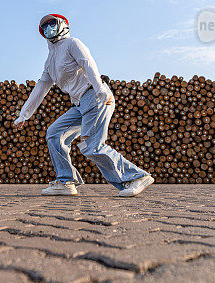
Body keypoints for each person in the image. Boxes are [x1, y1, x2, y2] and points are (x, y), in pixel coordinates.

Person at [13, 13, 154, 197]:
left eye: (52, 23)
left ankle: (136, 177)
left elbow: (88, 63)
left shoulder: (72, 44)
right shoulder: (49, 62)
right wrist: (24, 115)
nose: (48, 28)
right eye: (44, 27)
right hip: (79, 104)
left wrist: (100, 89)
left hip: (95, 96)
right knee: (54, 133)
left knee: (92, 146)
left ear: (62, 24)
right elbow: (40, 88)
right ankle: (66, 181)